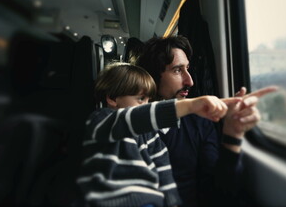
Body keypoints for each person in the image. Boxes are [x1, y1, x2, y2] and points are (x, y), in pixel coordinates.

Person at [136, 36, 277, 206]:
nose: (190, 81)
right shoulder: (131, 123)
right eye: (177, 70)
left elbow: (220, 193)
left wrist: (233, 133)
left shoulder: (199, 122)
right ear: (152, 77)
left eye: (187, 69)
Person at [77, 62, 240, 207]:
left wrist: (173, 202)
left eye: (148, 100)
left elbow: (164, 173)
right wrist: (189, 106)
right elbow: (134, 118)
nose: (146, 105)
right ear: (112, 99)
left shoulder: (151, 136)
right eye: (140, 99)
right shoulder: (101, 121)